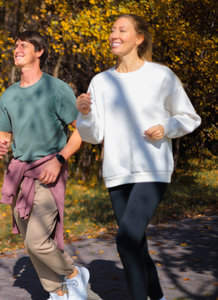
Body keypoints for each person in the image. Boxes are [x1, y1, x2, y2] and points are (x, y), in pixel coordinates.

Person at [75, 14, 201, 300]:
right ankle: (158, 297)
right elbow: (94, 134)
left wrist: (166, 127)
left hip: (153, 170)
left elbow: (189, 117)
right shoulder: (101, 81)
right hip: (117, 173)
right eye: (112, 30)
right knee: (136, 243)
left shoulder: (161, 76)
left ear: (139, 38)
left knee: (126, 239)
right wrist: (84, 113)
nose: (113, 35)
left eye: (122, 29)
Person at [0, 31, 89, 300]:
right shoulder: (8, 95)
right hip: (19, 174)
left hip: (49, 171)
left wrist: (60, 161)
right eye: (15, 46)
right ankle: (58, 293)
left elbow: (81, 130)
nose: (17, 49)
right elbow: (4, 136)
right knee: (32, 243)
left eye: (24, 45)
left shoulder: (56, 89)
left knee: (37, 241)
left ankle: (74, 275)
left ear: (39, 52)